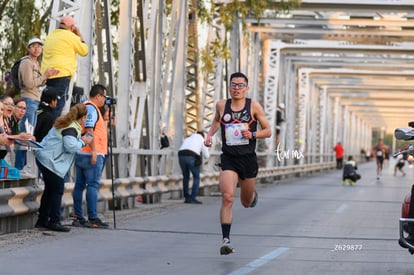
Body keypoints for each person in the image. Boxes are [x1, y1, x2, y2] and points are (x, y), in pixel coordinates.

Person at [204, 72, 271, 255]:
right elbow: (217, 121)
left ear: (246, 88)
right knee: (227, 197)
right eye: (234, 84)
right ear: (229, 87)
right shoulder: (221, 105)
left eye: (241, 85)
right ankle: (226, 240)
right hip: (229, 158)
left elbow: (268, 131)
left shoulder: (253, 106)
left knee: (246, 202)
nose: (237, 88)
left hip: (248, 159)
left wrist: (253, 134)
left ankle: (251, 195)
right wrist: (209, 135)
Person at [34, 103, 91, 232]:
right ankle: (54, 221)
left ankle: (42, 221)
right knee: (57, 189)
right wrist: (83, 142)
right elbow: (69, 146)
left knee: (50, 190)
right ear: (83, 118)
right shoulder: (72, 127)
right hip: (51, 162)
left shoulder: (65, 122)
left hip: (44, 157)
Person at [15, 38, 59, 170]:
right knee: (25, 135)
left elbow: (37, 84)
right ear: (28, 48)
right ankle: (19, 169)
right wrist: (44, 75)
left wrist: (46, 76)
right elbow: (29, 84)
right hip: (28, 100)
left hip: (34, 101)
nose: (36, 49)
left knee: (28, 137)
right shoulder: (27, 63)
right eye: (33, 46)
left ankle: (21, 168)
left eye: (39, 47)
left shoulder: (36, 63)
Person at [72, 84, 109, 228]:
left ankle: (78, 217)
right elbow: (89, 129)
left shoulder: (83, 106)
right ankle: (93, 217)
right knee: (92, 185)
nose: (105, 100)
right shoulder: (92, 109)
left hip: (80, 151)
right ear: (98, 96)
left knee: (79, 185)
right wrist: (94, 151)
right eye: (104, 97)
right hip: (92, 153)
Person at [41, 16, 88, 118]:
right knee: (58, 104)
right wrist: (79, 34)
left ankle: (43, 128)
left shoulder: (51, 36)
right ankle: (51, 130)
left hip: (47, 75)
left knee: (47, 104)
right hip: (61, 74)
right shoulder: (71, 37)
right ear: (72, 27)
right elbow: (84, 51)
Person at [178, 131, 210, 204]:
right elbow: (207, 155)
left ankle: (187, 198)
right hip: (191, 156)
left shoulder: (188, 138)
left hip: (181, 155)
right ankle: (193, 197)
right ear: (202, 136)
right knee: (196, 177)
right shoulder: (202, 139)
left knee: (186, 177)